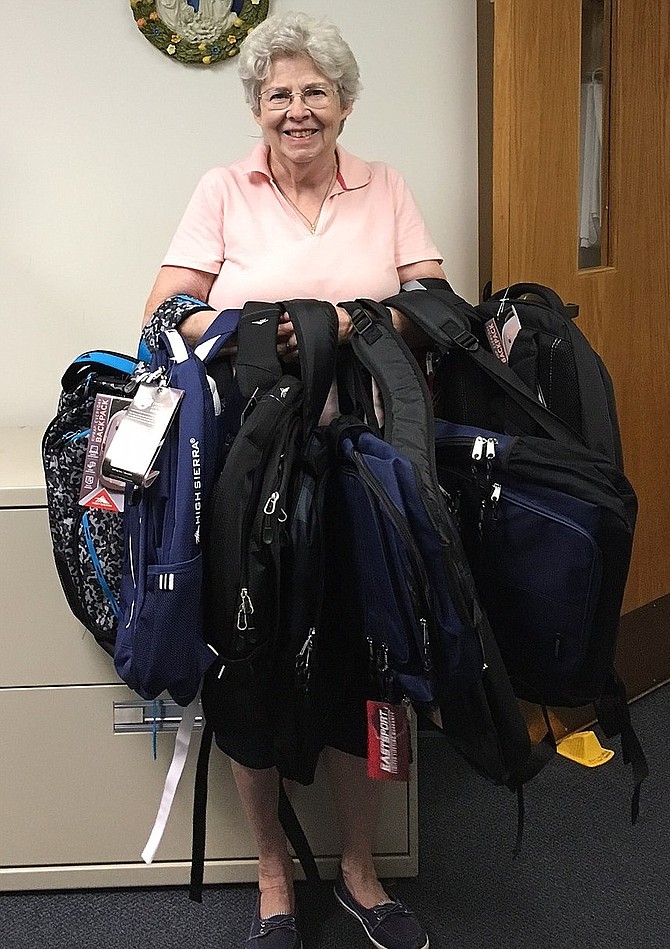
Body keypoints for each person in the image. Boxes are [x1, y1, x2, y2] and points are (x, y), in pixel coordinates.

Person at [143, 12, 446, 949]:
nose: (297, 109)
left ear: (345, 104)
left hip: (363, 456)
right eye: (279, 93)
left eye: (316, 91)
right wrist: (256, 329)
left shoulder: (384, 185)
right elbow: (165, 308)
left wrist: (348, 325)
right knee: (251, 660)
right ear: (257, 108)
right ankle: (274, 872)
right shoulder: (221, 188)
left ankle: (360, 867)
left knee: (368, 659)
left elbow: (430, 297)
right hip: (248, 464)